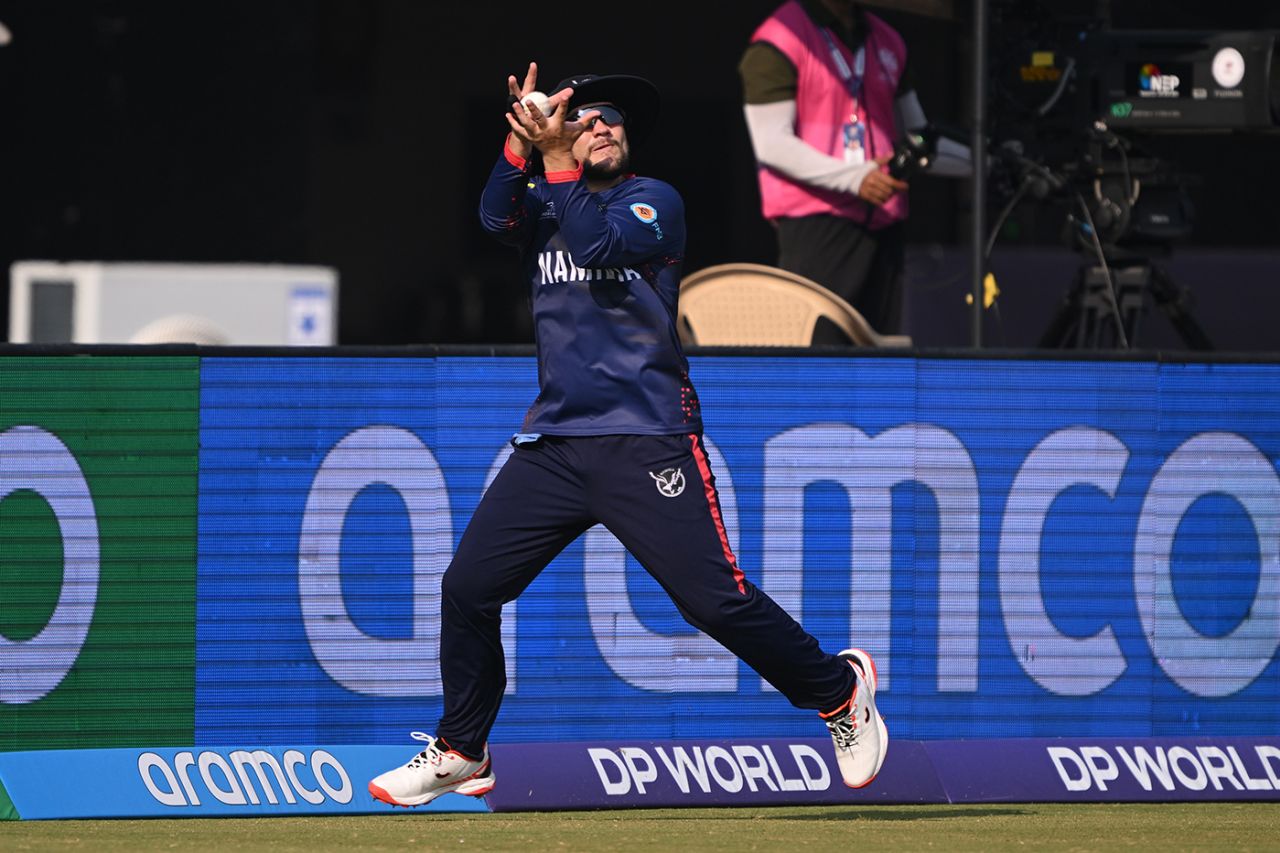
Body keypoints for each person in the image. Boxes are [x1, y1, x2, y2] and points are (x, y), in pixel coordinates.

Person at [367, 62, 887, 808]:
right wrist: (520, 147)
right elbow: (490, 216)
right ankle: (462, 748)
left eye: (612, 118)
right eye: (586, 118)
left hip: (647, 436)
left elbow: (597, 246)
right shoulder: (545, 203)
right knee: (469, 587)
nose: (602, 125)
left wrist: (553, 159)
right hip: (556, 442)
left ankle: (840, 690)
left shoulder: (654, 203)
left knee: (713, 602)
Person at [740, 0, 971, 339]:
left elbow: (918, 136)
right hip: (817, 225)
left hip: (882, 222)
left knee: (877, 354)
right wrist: (855, 177)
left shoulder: (887, 38)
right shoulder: (781, 37)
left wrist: (983, 161)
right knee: (819, 355)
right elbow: (771, 143)